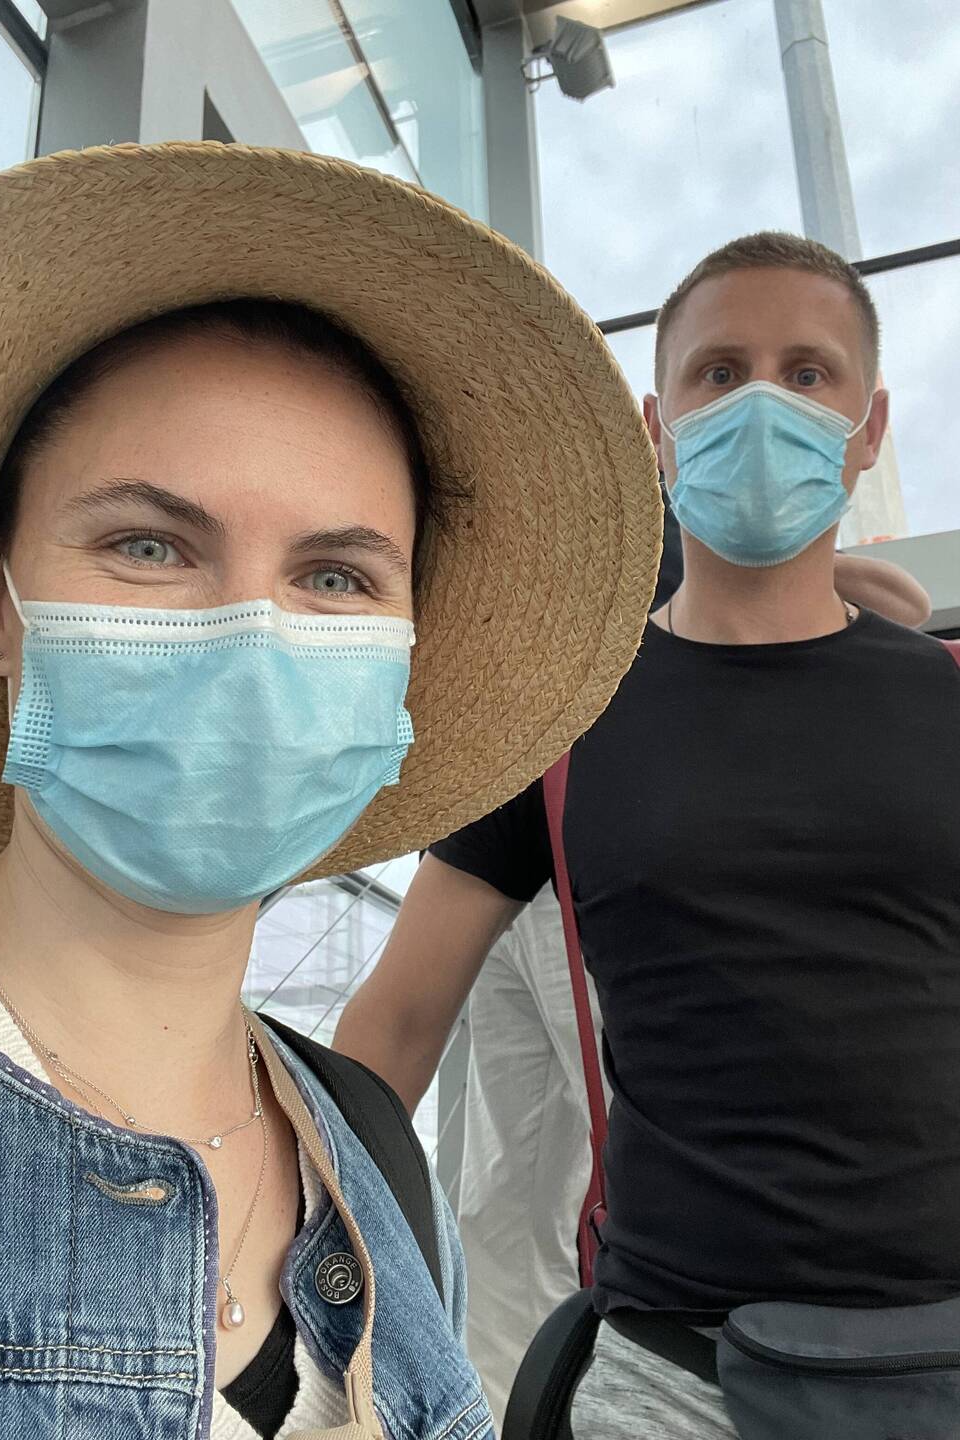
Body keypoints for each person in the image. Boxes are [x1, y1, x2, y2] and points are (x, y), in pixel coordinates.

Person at [0, 142, 663, 1437]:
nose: (252, 639)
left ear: (401, 664)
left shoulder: (381, 1169)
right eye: (148, 545)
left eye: (336, 578)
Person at [337, 231, 960, 1438]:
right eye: (720, 373)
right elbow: (399, 1018)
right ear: (658, 426)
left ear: (869, 427)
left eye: (808, 373)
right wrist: (286, 1259)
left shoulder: (944, 697)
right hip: (674, 1371)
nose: (763, 404)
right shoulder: (565, 723)